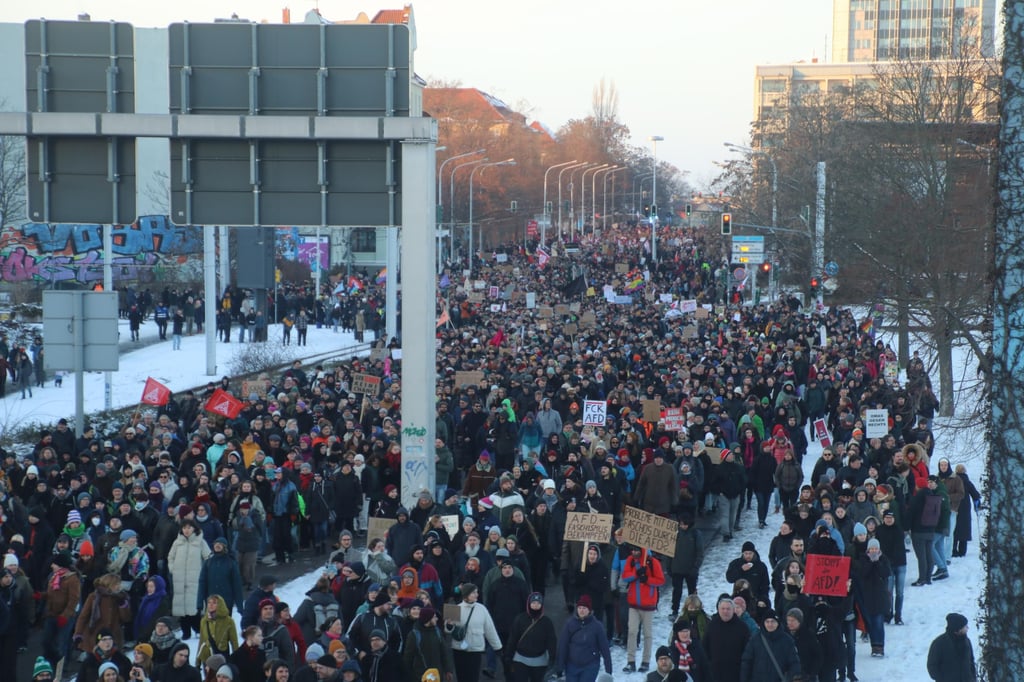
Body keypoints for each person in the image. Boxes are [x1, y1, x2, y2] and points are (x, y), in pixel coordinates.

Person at [443, 583, 502, 682]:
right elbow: (447, 630)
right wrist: (449, 625)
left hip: (476, 649)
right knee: (461, 677)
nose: (477, 595)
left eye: (477, 592)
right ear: (466, 595)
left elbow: (490, 629)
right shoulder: (456, 608)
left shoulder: (482, 609)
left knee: (473, 678)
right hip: (459, 649)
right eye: (473, 593)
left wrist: (497, 647)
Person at [621, 546, 665, 673]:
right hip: (634, 603)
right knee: (632, 632)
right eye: (632, 550)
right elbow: (625, 576)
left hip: (648, 604)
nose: (633, 552)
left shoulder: (653, 562)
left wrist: (647, 579)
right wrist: (636, 573)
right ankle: (631, 661)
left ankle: (645, 661)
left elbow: (660, 580)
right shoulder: (630, 560)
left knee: (647, 634)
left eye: (636, 550)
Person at [556, 595, 612, 682]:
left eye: (584, 608)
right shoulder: (570, 624)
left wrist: (608, 670)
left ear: (589, 610)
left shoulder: (597, 626)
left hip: (590, 665)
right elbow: (563, 645)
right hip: (572, 665)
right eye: (580, 608)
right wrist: (560, 667)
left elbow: (605, 649)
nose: (581, 610)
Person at [505, 593, 557, 682]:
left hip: (540, 661)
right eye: (533, 603)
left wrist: (552, 657)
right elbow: (513, 638)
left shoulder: (547, 622)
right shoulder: (520, 619)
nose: (536, 605)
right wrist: (508, 655)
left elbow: (551, 641)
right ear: (529, 604)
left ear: (542, 605)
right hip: (520, 659)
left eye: (538, 603)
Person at [739, 609, 801, 682]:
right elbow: (747, 662)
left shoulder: (787, 641)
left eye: (773, 621)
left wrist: (791, 678)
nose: (770, 624)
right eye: (767, 621)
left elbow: (794, 663)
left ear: (778, 623)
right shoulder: (755, 639)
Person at [702, 596, 749, 682]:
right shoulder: (712, 625)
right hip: (715, 673)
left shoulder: (742, 627)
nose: (725, 611)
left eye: (728, 609)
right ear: (718, 610)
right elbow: (705, 647)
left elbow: (748, 651)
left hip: (736, 674)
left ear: (733, 610)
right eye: (723, 609)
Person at [668, 514, 705, 618]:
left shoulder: (695, 534)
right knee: (676, 591)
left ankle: (694, 609)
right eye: (681, 524)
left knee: (692, 592)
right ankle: (675, 610)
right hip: (677, 568)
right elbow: (669, 552)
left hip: (691, 569)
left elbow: (700, 553)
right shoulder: (675, 534)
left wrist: (695, 567)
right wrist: (669, 567)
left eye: (685, 524)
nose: (683, 526)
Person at [927, 612, 977, 682]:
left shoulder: (967, 641)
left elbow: (971, 662)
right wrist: (942, 679)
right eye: (965, 626)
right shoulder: (939, 643)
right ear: (958, 628)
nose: (967, 628)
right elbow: (932, 666)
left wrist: (973, 679)